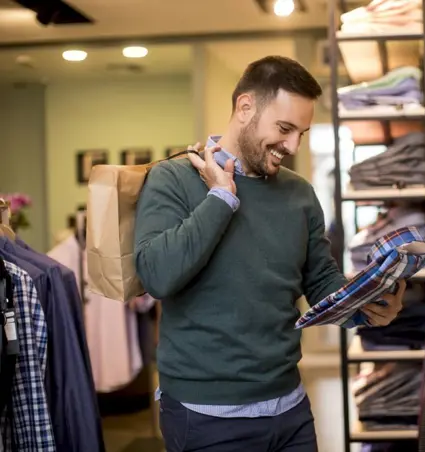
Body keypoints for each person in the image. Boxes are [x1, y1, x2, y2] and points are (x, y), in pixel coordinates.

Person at [134, 56, 407, 452]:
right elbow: (157, 276)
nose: (293, 145)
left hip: (291, 409)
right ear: (245, 108)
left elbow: (320, 283)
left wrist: (365, 304)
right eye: (285, 128)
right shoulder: (173, 178)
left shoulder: (299, 194)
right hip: (207, 416)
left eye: (301, 132)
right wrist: (221, 198)